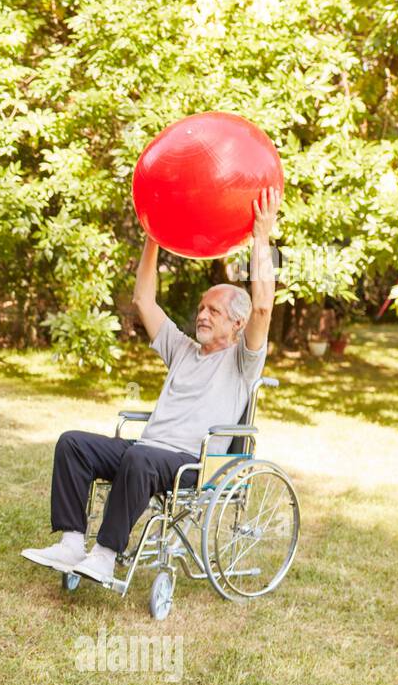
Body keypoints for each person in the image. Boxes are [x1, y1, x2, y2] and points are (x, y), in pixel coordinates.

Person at [21, 187, 282, 585]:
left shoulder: (242, 362)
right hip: (147, 452)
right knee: (72, 443)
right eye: (201, 309)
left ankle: (106, 556)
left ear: (237, 324)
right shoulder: (183, 349)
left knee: (139, 460)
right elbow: (144, 300)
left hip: (190, 463)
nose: (203, 315)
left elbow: (263, 305)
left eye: (213, 310)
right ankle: (72, 543)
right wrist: (152, 237)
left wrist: (262, 235)